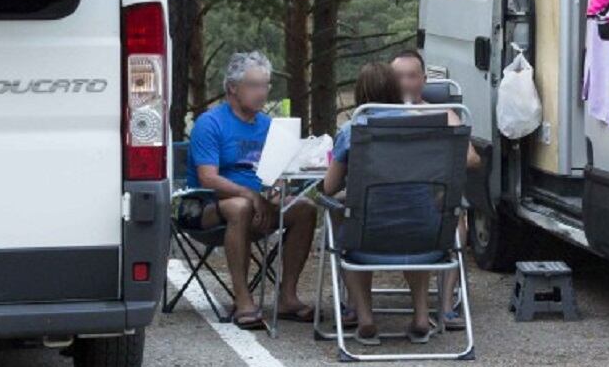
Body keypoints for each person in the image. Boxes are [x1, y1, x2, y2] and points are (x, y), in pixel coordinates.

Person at [323, 61, 472, 346]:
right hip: (426, 238)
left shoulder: (355, 128)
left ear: (360, 92)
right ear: (395, 88)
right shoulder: (425, 125)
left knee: (345, 221)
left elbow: (329, 187)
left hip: (368, 238)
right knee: (414, 216)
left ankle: (365, 318)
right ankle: (419, 316)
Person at [187, 51, 317, 329]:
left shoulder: (269, 127)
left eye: (266, 85)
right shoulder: (210, 123)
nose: (262, 92)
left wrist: (275, 192)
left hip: (257, 204)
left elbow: (278, 173)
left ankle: (287, 296)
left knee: (304, 208)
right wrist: (250, 196)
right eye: (254, 85)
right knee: (240, 206)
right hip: (205, 206)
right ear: (233, 88)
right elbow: (207, 178)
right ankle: (243, 299)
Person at [389, 47, 474, 331]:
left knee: (457, 216)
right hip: (386, 203)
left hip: (429, 199)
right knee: (342, 210)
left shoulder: (441, 113)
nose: (404, 83)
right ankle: (354, 305)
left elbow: (471, 157)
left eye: (411, 76)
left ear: (423, 80)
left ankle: (446, 305)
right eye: (398, 76)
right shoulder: (373, 114)